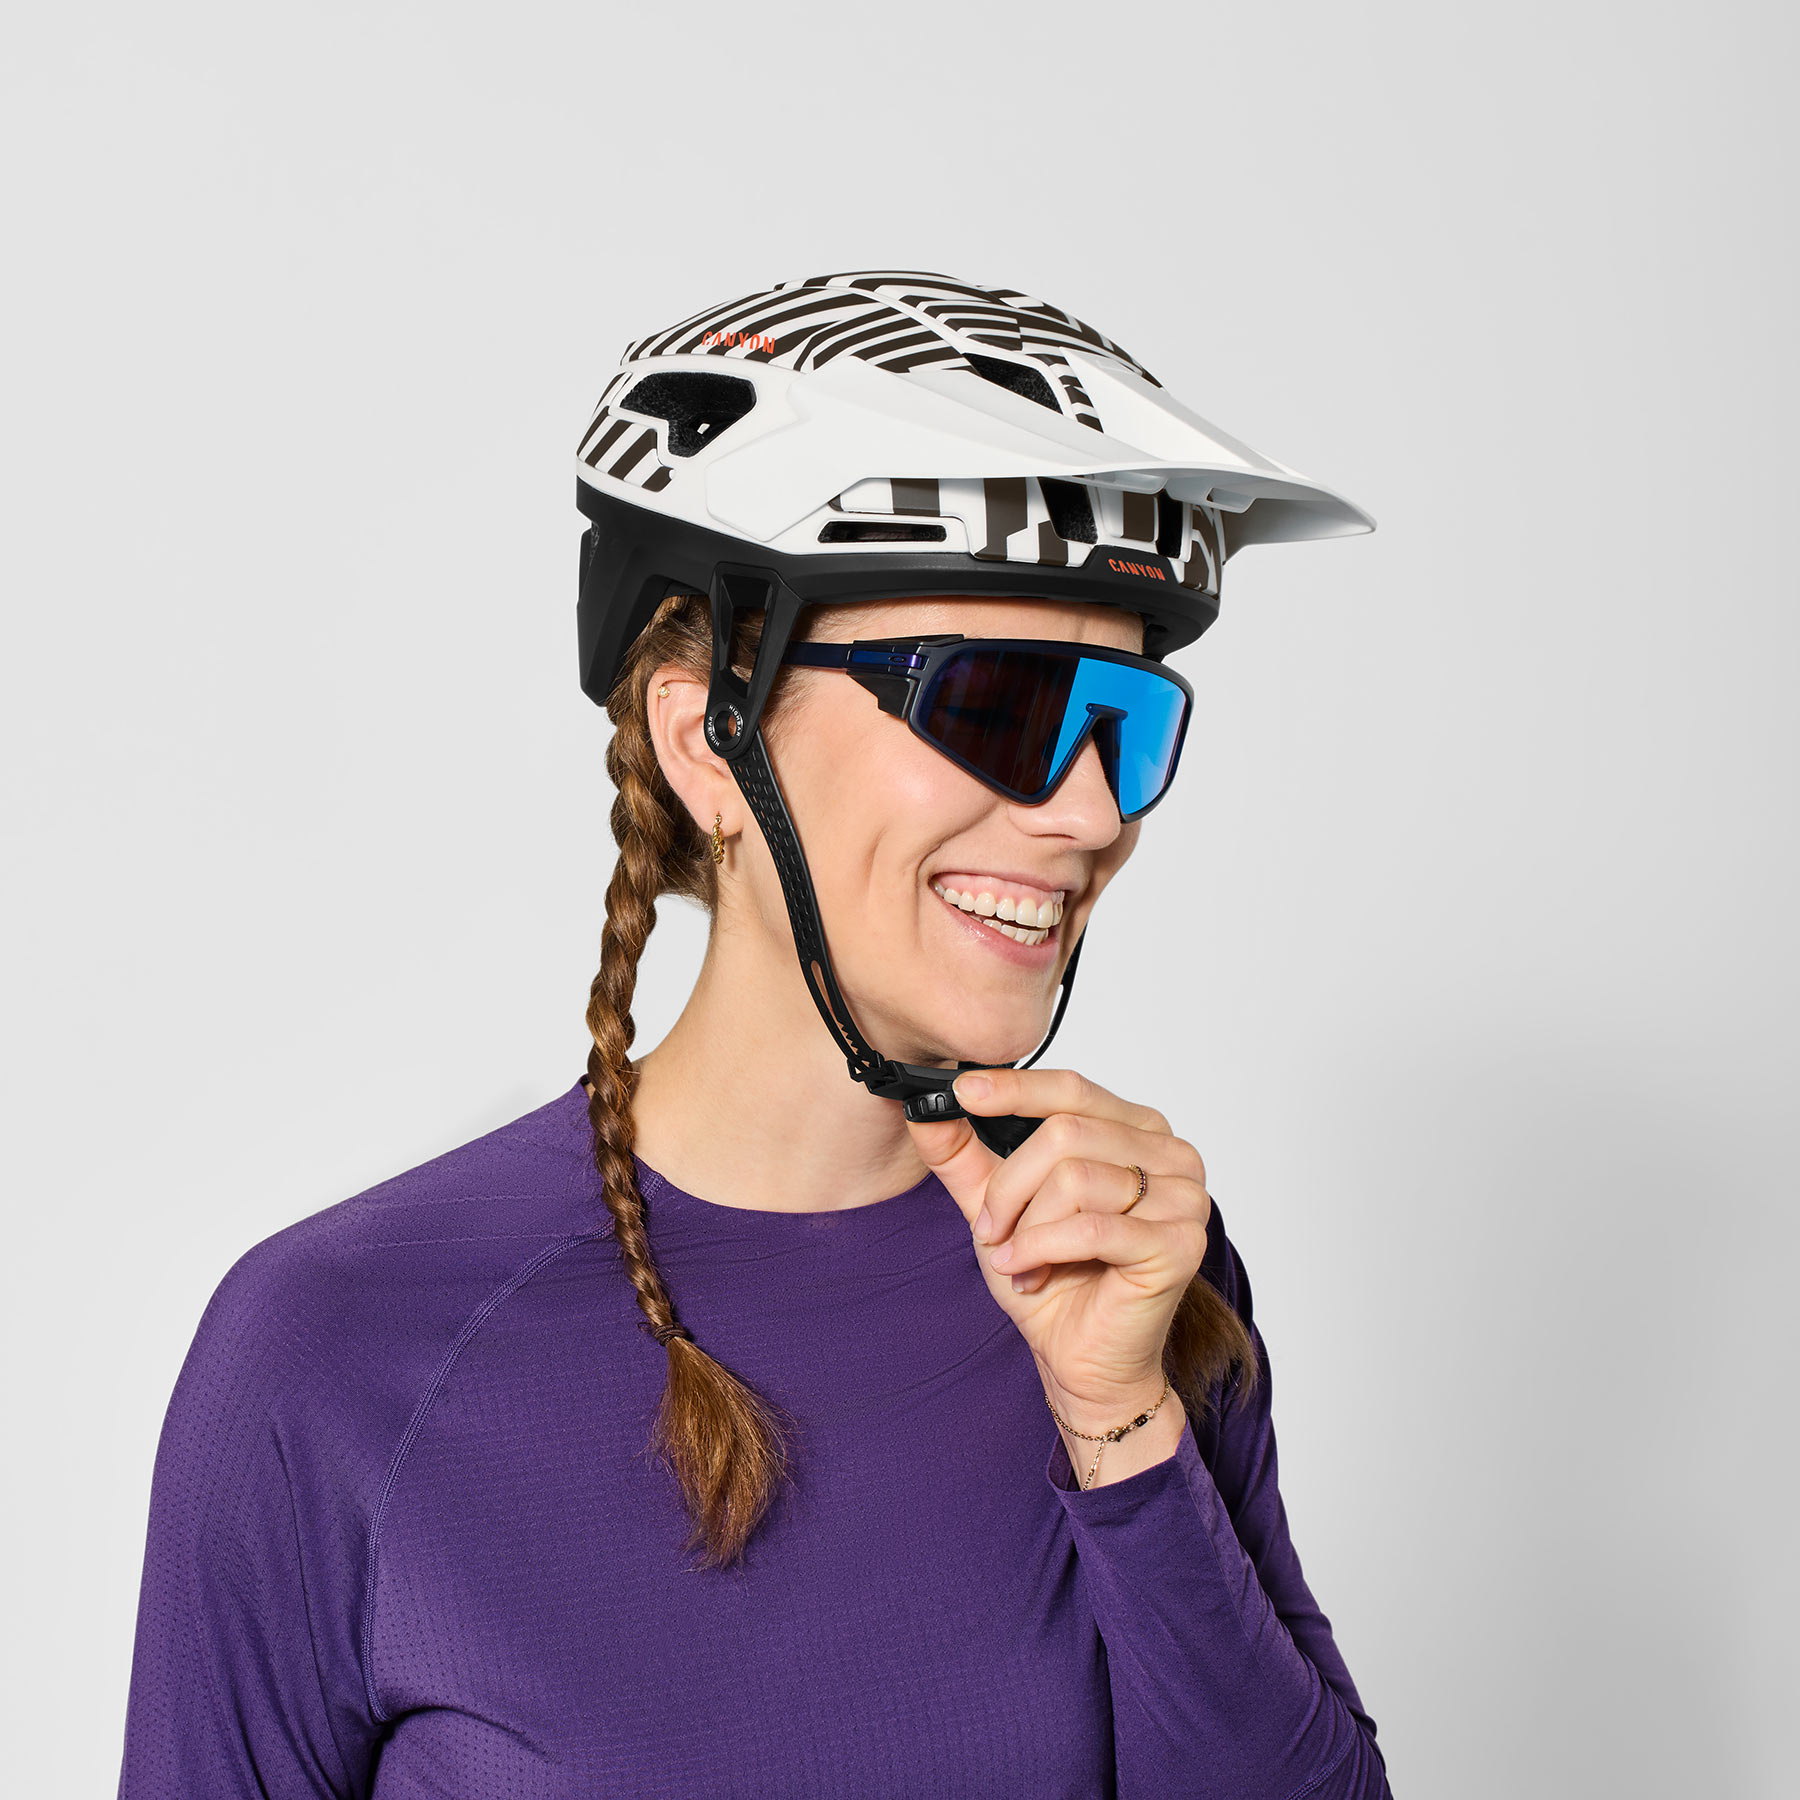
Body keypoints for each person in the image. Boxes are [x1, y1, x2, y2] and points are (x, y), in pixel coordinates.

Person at [117, 271, 1392, 1797]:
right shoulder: (336, 1346)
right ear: (706, 739)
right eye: (993, 705)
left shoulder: (1118, 1270)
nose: (1086, 814)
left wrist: (1123, 1425)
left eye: (1127, 725)